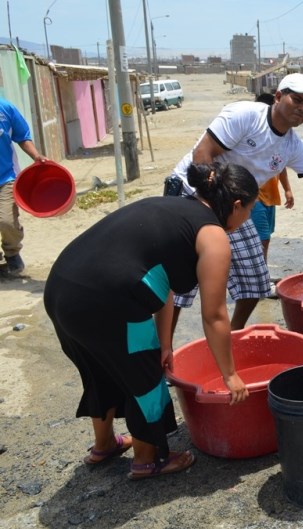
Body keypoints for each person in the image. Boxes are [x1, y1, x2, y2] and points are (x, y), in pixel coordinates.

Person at [44, 162, 257, 480]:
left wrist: (166, 343)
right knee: (145, 378)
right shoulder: (213, 236)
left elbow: (162, 281)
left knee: (100, 368)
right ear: (237, 205)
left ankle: (104, 445)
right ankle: (149, 460)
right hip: (106, 301)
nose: (247, 220)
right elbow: (214, 315)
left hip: (61, 290)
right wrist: (229, 375)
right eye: (250, 210)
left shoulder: (173, 208)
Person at [168, 73, 303, 333]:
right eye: (297, 100)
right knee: (180, 283)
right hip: (193, 193)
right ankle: (164, 348)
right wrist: (210, 206)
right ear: (279, 96)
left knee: (256, 279)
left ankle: (233, 334)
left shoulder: (293, 145)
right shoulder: (246, 115)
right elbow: (203, 153)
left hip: (232, 207)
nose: (302, 109)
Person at [0, 96, 47, 275]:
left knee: (6, 221)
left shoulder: (5, 108)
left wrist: (36, 156)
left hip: (5, 177)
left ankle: (12, 252)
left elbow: (22, 136)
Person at [254, 168, 293, 298]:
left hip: (270, 196)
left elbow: (281, 166)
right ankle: (261, 284)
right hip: (254, 196)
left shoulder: (278, 148)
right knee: (262, 239)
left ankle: (262, 275)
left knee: (265, 237)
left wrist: (287, 189)